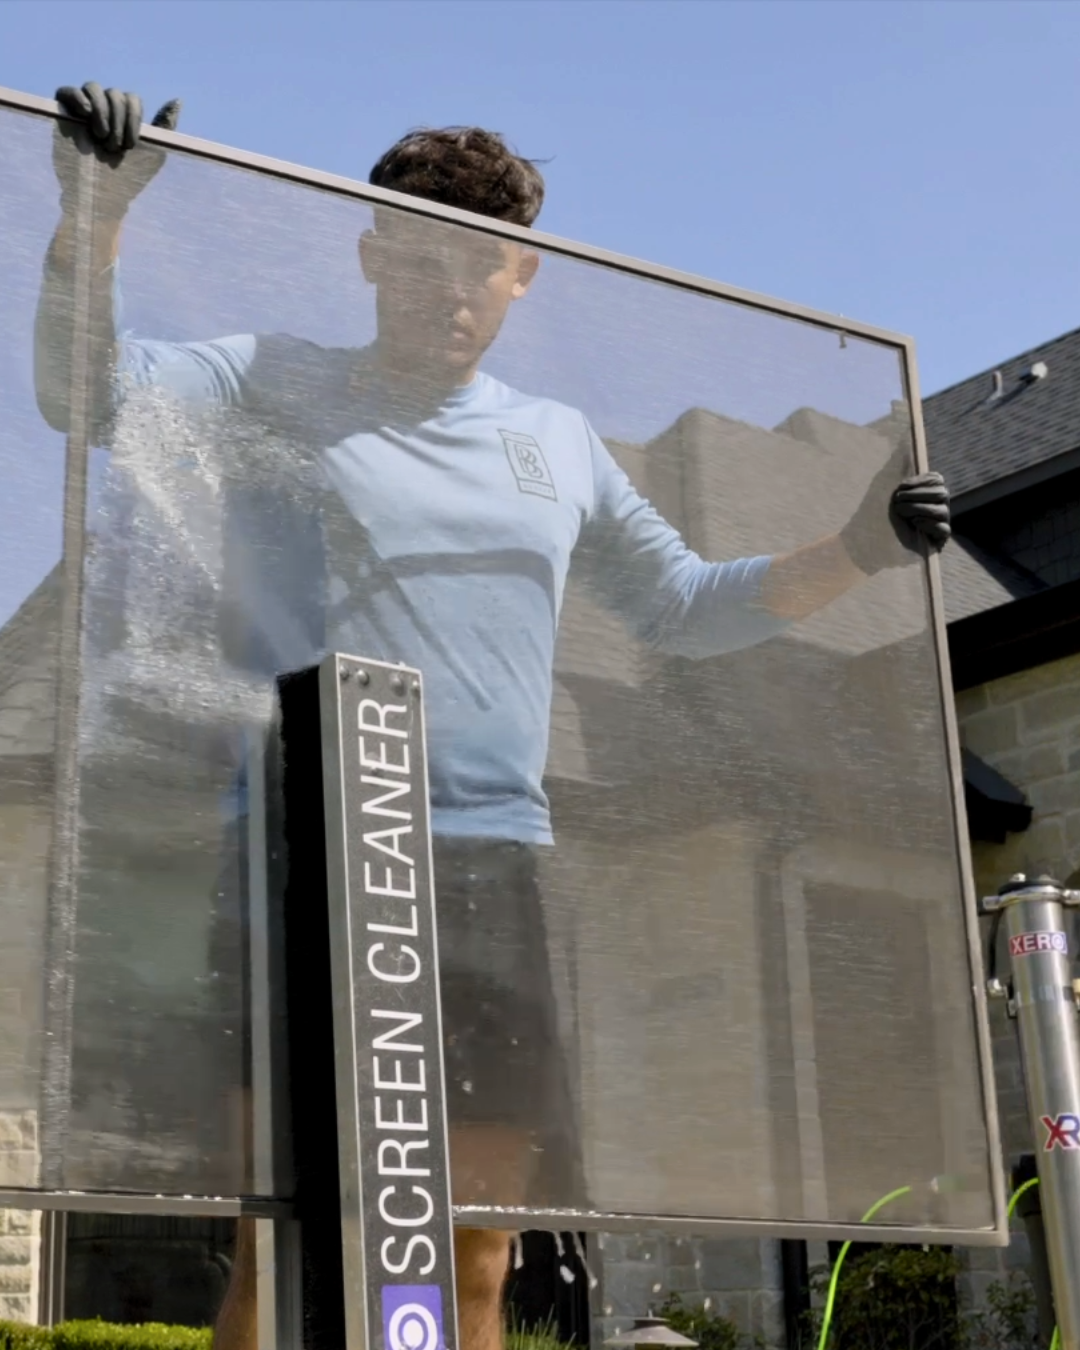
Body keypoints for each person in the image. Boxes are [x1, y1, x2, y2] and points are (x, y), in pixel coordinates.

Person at [38, 81, 951, 1350]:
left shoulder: (559, 442)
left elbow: (685, 604)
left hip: (488, 862)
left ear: (524, 274)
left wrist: (858, 543)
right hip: (304, 851)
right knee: (286, 1237)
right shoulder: (273, 379)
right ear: (370, 253)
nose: (450, 291)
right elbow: (83, 397)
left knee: (475, 1253)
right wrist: (94, 215)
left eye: (483, 265)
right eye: (420, 259)